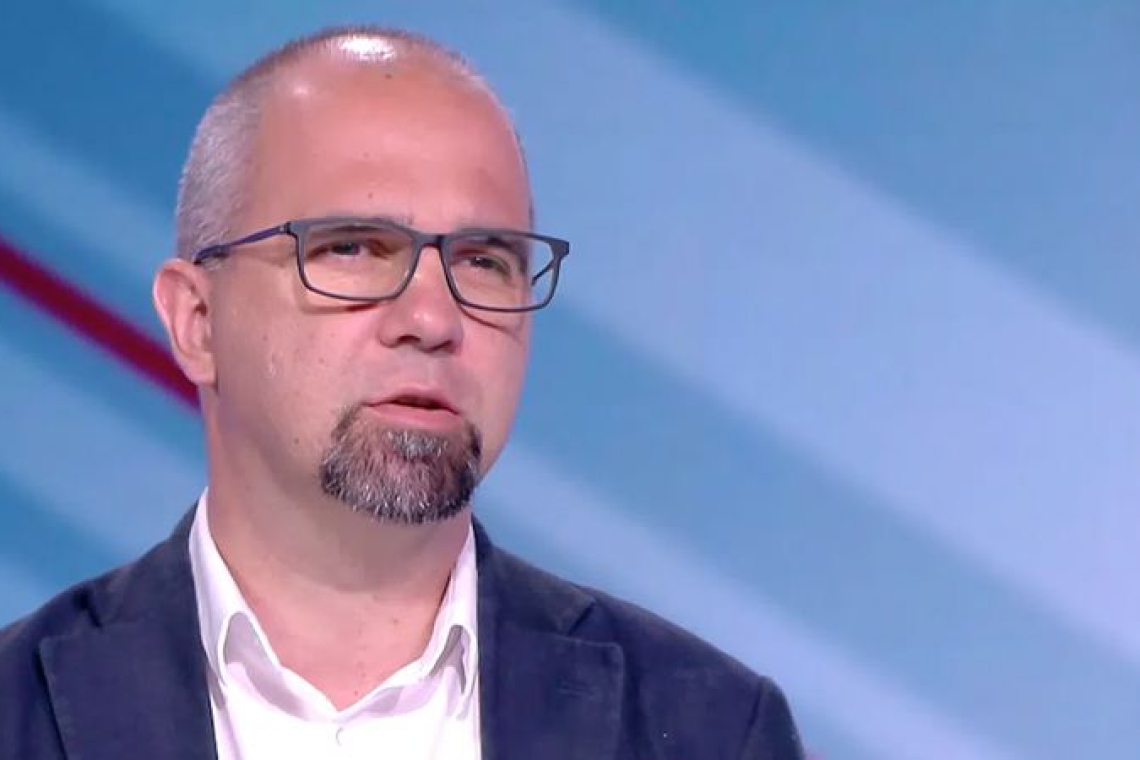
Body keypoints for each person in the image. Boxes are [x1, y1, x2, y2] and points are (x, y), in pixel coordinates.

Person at [0, 25, 804, 760]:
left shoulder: (712, 732)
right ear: (198, 322)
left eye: (484, 261)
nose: (432, 319)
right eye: (353, 248)